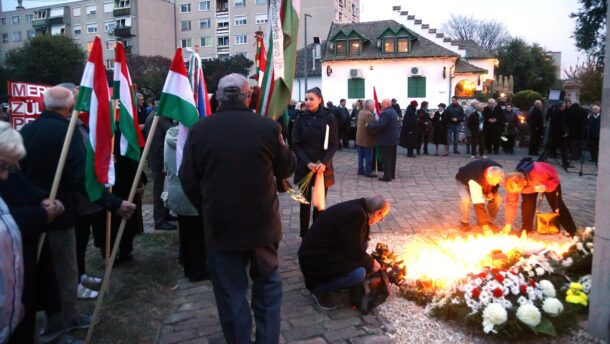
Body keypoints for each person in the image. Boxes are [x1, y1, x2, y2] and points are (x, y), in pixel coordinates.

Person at [180, 73, 295, 343]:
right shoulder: (267, 128)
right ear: (249, 97)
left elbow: (188, 179)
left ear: (218, 97)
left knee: (231, 294)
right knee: (267, 288)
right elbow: (287, 167)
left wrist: (207, 207)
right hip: (262, 226)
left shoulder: (200, 130)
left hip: (221, 226)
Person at [19, 87, 135, 344]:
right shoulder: (66, 133)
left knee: (50, 272)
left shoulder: (27, 130)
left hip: (34, 213)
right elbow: (80, 178)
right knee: (63, 273)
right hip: (58, 215)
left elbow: (19, 171)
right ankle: (57, 330)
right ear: (69, 108)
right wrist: (113, 203)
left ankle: (68, 316)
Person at [0, 122, 65, 344]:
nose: (6, 175)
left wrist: (44, 199)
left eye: (10, 167)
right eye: (2, 166)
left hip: (19, 272)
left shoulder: (10, 174)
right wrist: (40, 215)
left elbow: (24, 187)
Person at [298, 196, 389, 310]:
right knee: (358, 274)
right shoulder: (356, 215)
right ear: (378, 212)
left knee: (364, 245)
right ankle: (319, 288)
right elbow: (354, 250)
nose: (380, 220)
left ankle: (334, 279)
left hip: (325, 250)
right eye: (381, 217)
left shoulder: (359, 208)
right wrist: (371, 263)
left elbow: (354, 244)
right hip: (315, 259)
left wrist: (366, 261)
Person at [292, 87, 339, 237]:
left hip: (322, 167)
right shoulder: (300, 118)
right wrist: (307, 163)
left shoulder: (329, 118)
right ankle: (304, 235)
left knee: (319, 205)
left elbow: (333, 144)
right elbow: (296, 144)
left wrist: (324, 163)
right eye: (306, 99)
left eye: (311, 99)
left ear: (320, 99)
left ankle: (316, 235)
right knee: (304, 204)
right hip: (305, 166)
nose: (308, 102)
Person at [164, 126, 208, 282]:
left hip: (176, 189)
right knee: (196, 233)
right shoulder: (191, 142)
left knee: (185, 229)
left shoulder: (169, 136)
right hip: (190, 191)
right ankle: (196, 270)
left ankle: (185, 259)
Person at [504, 158, 577, 235]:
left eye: (517, 190)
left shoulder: (539, 174)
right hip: (531, 184)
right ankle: (526, 229)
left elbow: (555, 180)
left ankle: (572, 230)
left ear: (524, 183)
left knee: (557, 205)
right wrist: (508, 223)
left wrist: (545, 187)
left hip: (547, 180)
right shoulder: (511, 183)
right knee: (527, 205)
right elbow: (511, 203)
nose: (515, 193)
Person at [145, 110, 177, 230]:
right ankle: (159, 220)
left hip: (162, 160)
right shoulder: (157, 118)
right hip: (160, 162)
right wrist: (164, 163)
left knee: (165, 189)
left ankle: (165, 214)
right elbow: (156, 144)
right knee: (159, 190)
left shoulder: (162, 116)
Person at [455, 159, 504, 233]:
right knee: (466, 199)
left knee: (498, 198)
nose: (494, 184)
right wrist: (484, 226)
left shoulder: (498, 170)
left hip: (482, 180)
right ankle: (464, 222)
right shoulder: (475, 180)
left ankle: (489, 221)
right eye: (492, 182)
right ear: (488, 177)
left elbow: (495, 184)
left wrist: (492, 192)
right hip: (464, 181)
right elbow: (478, 203)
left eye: (496, 182)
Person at [370, 99, 400, 181]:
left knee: (386, 158)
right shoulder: (393, 111)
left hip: (386, 139)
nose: (381, 106)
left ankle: (387, 176)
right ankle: (392, 174)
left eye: (382, 104)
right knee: (392, 158)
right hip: (393, 138)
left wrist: (370, 125)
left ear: (387, 104)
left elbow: (381, 125)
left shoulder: (386, 113)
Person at [355, 99, 378, 178]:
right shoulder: (368, 114)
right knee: (368, 156)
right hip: (367, 138)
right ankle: (367, 172)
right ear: (370, 106)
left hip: (360, 138)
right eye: (373, 105)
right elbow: (372, 127)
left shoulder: (361, 112)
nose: (374, 106)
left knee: (361, 156)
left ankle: (360, 170)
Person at [547, 102, 570, 170]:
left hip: (554, 133)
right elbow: (560, 125)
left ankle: (541, 160)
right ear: (561, 106)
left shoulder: (555, 112)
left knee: (549, 147)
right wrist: (564, 133)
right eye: (564, 105)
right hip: (559, 134)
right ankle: (565, 163)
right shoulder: (559, 113)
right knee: (564, 149)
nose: (565, 106)